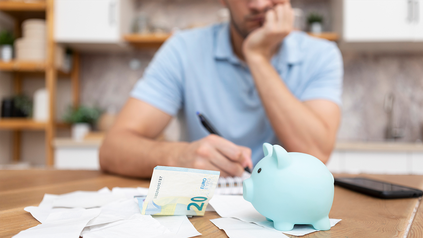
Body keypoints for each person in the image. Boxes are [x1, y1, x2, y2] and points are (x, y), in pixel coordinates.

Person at [99, 0, 343, 179]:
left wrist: (256, 57)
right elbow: (112, 150)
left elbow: (316, 154)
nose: (259, 5)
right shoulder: (183, 49)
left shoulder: (322, 55)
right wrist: (179, 157)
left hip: (283, 207)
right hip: (205, 207)